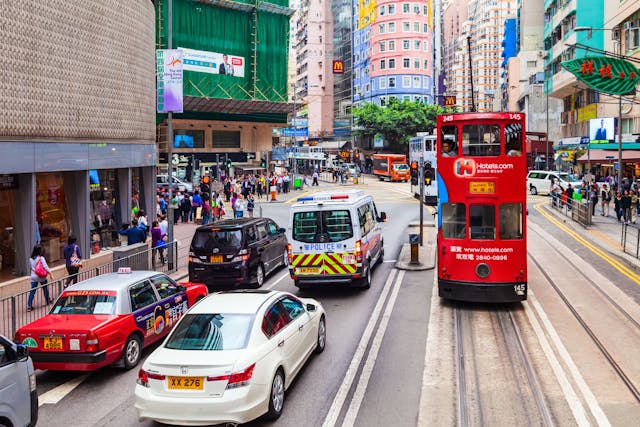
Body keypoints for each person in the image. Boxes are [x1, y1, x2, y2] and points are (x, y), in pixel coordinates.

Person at [27, 245, 53, 311]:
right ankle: (47, 301)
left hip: (33, 277)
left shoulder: (30, 259)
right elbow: (45, 267)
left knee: (32, 291)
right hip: (41, 276)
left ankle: (29, 306)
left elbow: (31, 267)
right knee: (45, 288)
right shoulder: (41, 258)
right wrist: (50, 274)